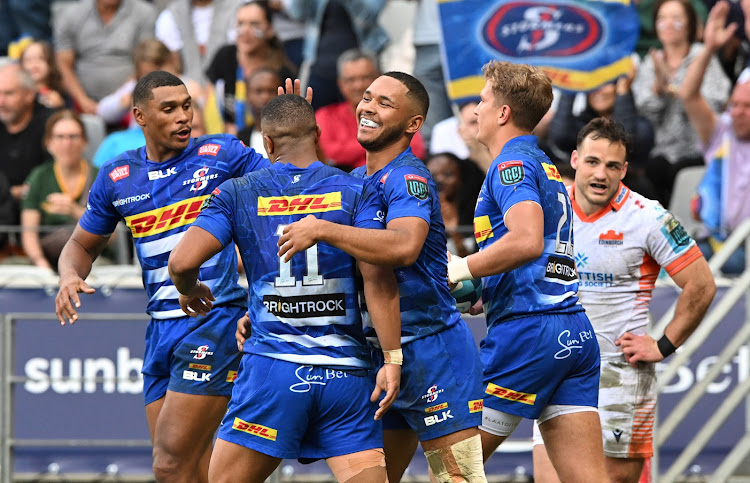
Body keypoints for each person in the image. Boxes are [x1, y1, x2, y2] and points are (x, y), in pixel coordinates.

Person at [54, 70, 278, 481]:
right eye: (169, 108)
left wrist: (290, 126)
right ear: (139, 116)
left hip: (215, 320)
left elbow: (289, 177)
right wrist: (69, 275)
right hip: (159, 329)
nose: (183, 117)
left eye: (187, 105)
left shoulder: (222, 154)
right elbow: (81, 245)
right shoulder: (117, 175)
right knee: (189, 467)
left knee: (169, 463)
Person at [169, 93, 401, 483]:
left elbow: (181, 262)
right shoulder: (356, 190)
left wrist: (189, 288)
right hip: (346, 378)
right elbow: (378, 278)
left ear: (268, 144)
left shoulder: (237, 192)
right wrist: (392, 358)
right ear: (318, 134)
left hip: (272, 373)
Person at [275, 72, 487, 483]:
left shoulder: (410, 177)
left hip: (432, 354)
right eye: (367, 98)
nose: (368, 107)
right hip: (379, 360)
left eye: (384, 103)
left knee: (456, 479)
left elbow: (404, 247)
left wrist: (324, 228)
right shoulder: (355, 181)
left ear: (413, 124)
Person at [445, 60, 609, 481]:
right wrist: (487, 288)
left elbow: (527, 240)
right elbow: (537, 251)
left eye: (482, 100)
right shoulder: (546, 166)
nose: (475, 110)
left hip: (528, 334)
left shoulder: (508, 166)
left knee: (452, 470)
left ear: (503, 113)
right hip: (573, 330)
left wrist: (462, 267)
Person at [531, 117, 716, 483]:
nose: (601, 174)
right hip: (557, 372)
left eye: (612, 166)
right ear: (574, 160)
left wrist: (663, 345)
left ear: (625, 169)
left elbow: (701, 284)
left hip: (619, 378)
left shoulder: (648, 217)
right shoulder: (546, 209)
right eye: (593, 162)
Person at [632, 0, 730, 204]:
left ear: (689, 24)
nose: (668, 24)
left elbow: (716, 103)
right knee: (651, 172)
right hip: (662, 153)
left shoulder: (703, 56)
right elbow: (646, 111)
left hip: (699, 150)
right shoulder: (652, 61)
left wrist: (681, 92)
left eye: (676, 18)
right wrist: (658, 89)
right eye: (662, 18)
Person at [677, 1, 750, 274]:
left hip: (746, 249)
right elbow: (688, 95)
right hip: (717, 242)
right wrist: (708, 48)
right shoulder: (723, 131)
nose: (739, 112)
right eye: (735, 104)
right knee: (666, 264)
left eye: (748, 106)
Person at [316, 49, 425, 171]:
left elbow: (416, 149)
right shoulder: (325, 115)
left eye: (365, 77)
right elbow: (328, 153)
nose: (358, 85)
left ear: (379, 78)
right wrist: (384, 142)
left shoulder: (399, 111)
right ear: (340, 84)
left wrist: (351, 151)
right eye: (351, 80)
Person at [21, 110, 97, 271]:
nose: (67, 143)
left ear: (84, 141)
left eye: (73, 136)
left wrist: (75, 211)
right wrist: (41, 264)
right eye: (60, 137)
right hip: (48, 257)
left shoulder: (100, 176)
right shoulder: (39, 176)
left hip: (92, 258)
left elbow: (112, 236)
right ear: (48, 143)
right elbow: (29, 232)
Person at [205, 0, 296, 134]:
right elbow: (209, 101)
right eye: (240, 23)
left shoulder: (282, 73)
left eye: (254, 24)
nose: (245, 31)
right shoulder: (225, 56)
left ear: (270, 29)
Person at [54, 0, 157, 114]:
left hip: (130, 100)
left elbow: (147, 61)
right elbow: (63, 64)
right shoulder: (71, 15)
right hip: (81, 103)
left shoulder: (144, 12)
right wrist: (82, 100)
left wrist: (119, 99)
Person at [0, 63, 55, 209]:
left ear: (29, 94)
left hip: (41, 211)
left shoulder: (52, 124)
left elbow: (53, 181)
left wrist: (8, 194)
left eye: (9, 93)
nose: (1, 102)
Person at [156, 0, 240, 85]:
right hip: (187, 91)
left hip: (230, 88)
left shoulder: (240, 9)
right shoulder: (170, 15)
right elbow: (169, 67)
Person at [425, 152, 483, 258]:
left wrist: (454, 232)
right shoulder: (420, 212)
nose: (440, 180)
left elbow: (473, 266)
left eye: (447, 174)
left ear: (461, 177)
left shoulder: (478, 210)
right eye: (432, 176)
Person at [19, 40, 68, 110]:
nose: (34, 64)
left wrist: (59, 106)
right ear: (21, 65)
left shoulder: (63, 94)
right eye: (28, 60)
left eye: (41, 58)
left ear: (51, 62)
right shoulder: (18, 94)